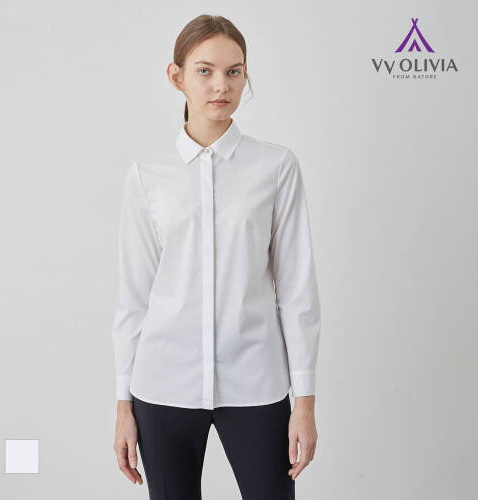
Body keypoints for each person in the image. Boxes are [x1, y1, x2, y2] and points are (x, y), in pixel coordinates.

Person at [112, 14, 321, 500]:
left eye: (234, 71)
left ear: (246, 75)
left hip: (256, 382)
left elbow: (296, 291)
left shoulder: (276, 167)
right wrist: (123, 405)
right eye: (204, 71)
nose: (221, 86)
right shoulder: (147, 175)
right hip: (163, 386)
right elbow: (134, 298)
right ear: (176, 76)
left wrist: (305, 402)